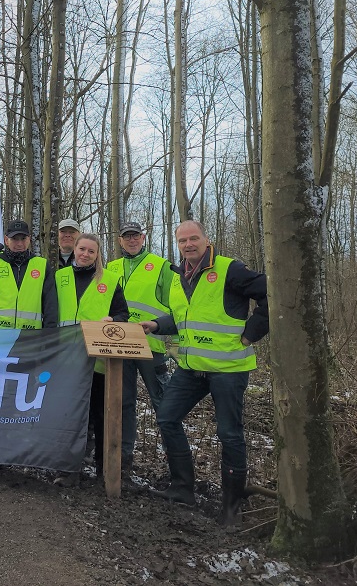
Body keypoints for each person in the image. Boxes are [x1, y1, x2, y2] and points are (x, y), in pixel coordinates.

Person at [140, 220, 268, 526]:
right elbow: (185, 318)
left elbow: (270, 293)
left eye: (193, 238)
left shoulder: (229, 269)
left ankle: (231, 507)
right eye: (182, 240)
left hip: (227, 369)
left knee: (229, 433)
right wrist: (157, 325)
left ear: (206, 239)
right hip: (191, 368)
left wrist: (252, 332)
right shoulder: (177, 275)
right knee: (167, 417)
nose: (188, 244)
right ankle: (183, 488)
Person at [53, 233, 129, 487]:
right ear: (74, 249)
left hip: (97, 362)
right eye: (81, 249)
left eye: (91, 251)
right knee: (72, 417)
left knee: (100, 415)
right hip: (67, 360)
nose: (85, 254)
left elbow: (122, 313)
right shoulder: (59, 277)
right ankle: (69, 469)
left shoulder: (109, 280)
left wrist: (113, 321)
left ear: (98, 255)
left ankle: (103, 471)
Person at [105, 221, 172, 471]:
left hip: (151, 345)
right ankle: (123, 456)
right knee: (123, 402)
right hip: (118, 345)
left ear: (143, 238)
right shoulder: (110, 268)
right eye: (126, 237)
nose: (131, 240)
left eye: (135, 236)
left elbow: (174, 306)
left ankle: (173, 457)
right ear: (120, 241)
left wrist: (173, 340)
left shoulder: (161, 266)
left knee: (162, 402)